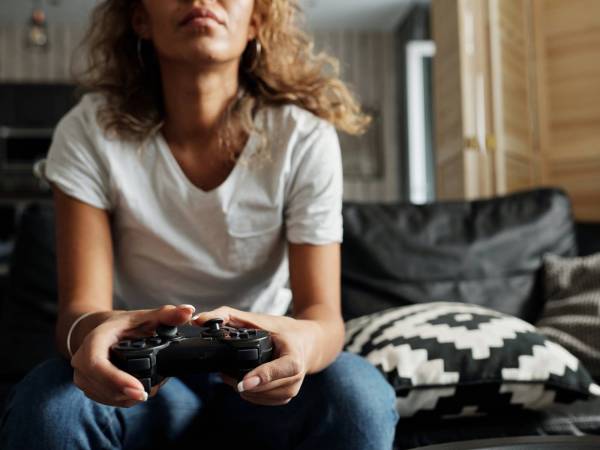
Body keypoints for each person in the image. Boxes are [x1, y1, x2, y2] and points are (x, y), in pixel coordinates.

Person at [0, 1, 398, 449]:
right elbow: (78, 312)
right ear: (140, 19)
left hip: (260, 373)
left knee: (358, 400)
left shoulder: (304, 138)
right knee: (50, 410)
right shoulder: (89, 131)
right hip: (142, 379)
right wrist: (91, 334)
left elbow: (322, 316)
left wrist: (301, 347)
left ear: (256, 20)